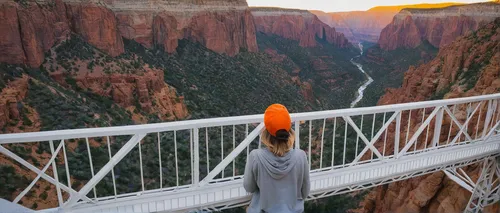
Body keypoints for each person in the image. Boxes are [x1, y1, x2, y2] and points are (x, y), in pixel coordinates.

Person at [244, 104, 310, 213]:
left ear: (265, 133)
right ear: (289, 132)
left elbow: (249, 188)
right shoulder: (301, 156)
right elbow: (305, 193)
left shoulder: (255, 156)